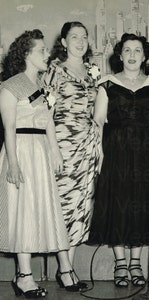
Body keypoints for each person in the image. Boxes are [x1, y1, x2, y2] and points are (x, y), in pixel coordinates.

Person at [0, 29, 70, 298]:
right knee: (21, 212)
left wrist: (55, 152)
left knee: (36, 211)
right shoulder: (10, 86)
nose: (47, 54)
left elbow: (47, 122)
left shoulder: (41, 86)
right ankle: (24, 277)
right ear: (27, 54)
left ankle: (26, 277)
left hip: (39, 155)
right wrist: (13, 164)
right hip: (20, 152)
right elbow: (8, 129)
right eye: (41, 50)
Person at [88, 33, 149, 288]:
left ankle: (136, 261)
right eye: (127, 50)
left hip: (145, 154)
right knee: (118, 203)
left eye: (137, 50)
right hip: (116, 151)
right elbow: (97, 124)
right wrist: (100, 156)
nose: (132, 55)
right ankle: (119, 262)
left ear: (145, 55)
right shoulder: (107, 84)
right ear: (119, 55)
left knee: (140, 202)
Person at [42, 21, 103, 291]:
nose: (80, 41)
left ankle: (69, 267)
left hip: (87, 147)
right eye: (74, 36)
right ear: (64, 42)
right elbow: (43, 112)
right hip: (62, 146)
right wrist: (53, 148)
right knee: (64, 207)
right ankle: (65, 268)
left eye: (84, 36)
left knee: (81, 209)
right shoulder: (54, 70)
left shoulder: (93, 73)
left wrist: (98, 145)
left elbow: (97, 114)